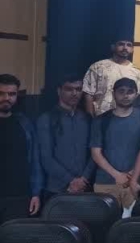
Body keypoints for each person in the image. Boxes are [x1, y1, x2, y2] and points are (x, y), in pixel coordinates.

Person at [90, 78, 140, 211]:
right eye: (121, 91)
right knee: (105, 221)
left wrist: (133, 174)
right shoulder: (101, 120)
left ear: (136, 94)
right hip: (105, 182)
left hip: (135, 181)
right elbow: (96, 154)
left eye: (130, 92)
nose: (125, 95)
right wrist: (117, 175)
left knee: (134, 222)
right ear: (113, 93)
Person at [37, 74, 94, 202]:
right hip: (56, 188)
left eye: (78, 89)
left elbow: (94, 153)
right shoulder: (46, 119)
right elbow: (46, 158)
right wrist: (71, 180)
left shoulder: (87, 119)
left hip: (84, 187)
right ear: (59, 91)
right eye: (69, 89)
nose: (74, 93)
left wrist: (83, 179)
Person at [0, 74, 42, 222]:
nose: (6, 98)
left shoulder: (25, 124)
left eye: (12, 94)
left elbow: (35, 161)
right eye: (1, 93)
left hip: (18, 196)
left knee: (14, 236)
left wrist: (35, 193)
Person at [83, 37, 140, 117]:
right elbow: (88, 93)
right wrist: (90, 117)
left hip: (127, 117)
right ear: (113, 47)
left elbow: (138, 97)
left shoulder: (137, 72)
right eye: (121, 44)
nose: (125, 48)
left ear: (132, 49)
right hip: (101, 115)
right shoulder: (98, 67)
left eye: (129, 45)